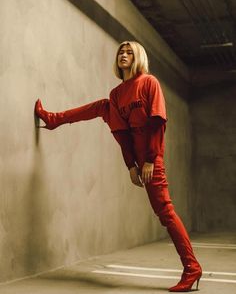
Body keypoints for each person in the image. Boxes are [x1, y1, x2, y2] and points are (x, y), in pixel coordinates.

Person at [34, 41, 202, 292]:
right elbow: (122, 135)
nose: (123, 55)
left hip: (151, 158)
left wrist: (148, 160)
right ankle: (54, 119)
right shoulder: (116, 94)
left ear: (138, 58)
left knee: (165, 211)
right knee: (103, 105)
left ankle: (192, 268)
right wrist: (130, 166)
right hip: (137, 159)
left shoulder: (149, 82)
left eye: (129, 52)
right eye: (120, 52)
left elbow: (158, 123)